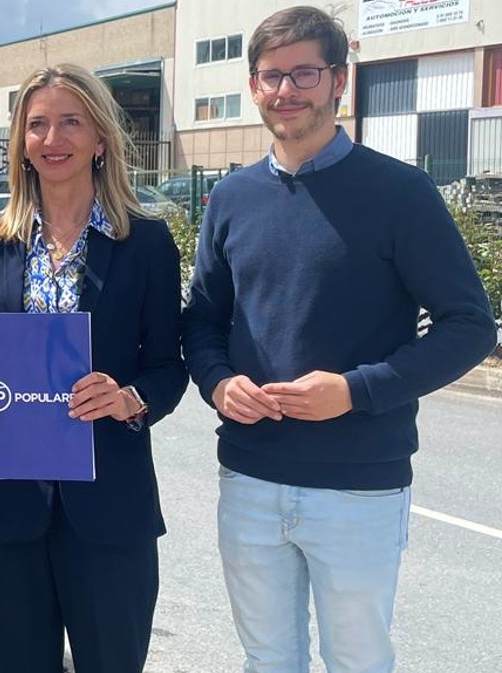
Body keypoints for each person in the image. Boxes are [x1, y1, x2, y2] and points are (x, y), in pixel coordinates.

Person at [181, 7, 497, 673]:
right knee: (267, 660)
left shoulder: (400, 192)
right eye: (271, 75)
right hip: (250, 476)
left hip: (358, 486)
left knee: (358, 662)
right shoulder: (232, 198)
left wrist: (356, 391)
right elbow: (203, 319)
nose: (286, 90)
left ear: (338, 82)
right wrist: (218, 381)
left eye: (304, 73)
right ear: (253, 85)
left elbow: (470, 324)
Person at [0, 64, 188, 673]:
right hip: (11, 502)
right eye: (38, 125)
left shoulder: (146, 244)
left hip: (109, 502)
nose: (53, 139)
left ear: (100, 137)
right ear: (21, 143)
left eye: (71, 122)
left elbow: (169, 366)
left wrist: (130, 398)